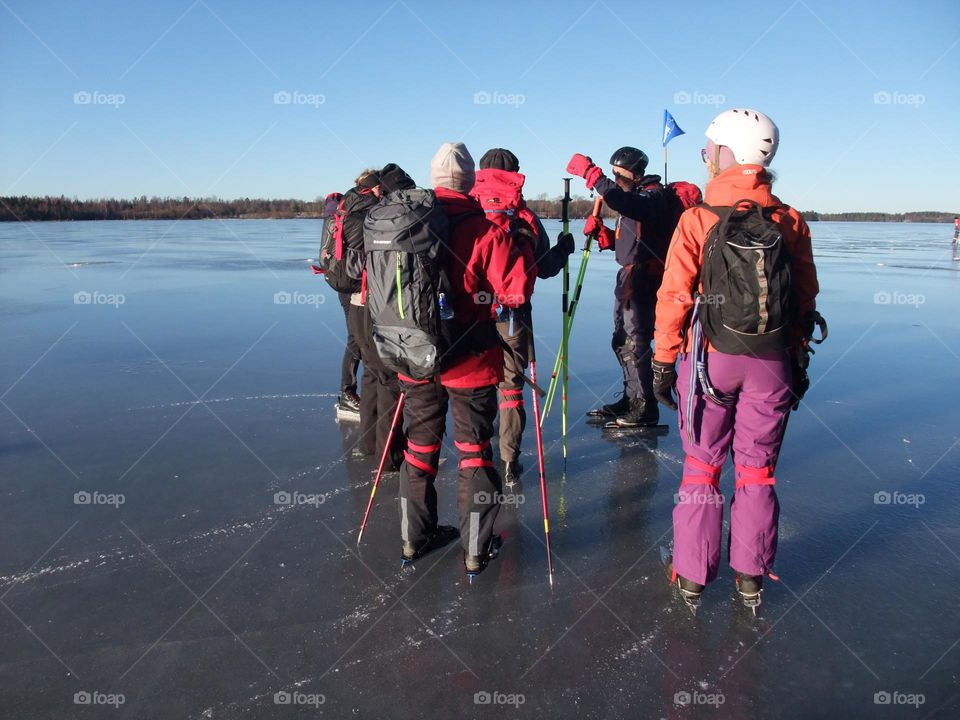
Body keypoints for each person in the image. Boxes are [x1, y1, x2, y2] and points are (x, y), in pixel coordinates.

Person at [651, 108, 820, 611]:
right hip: (772, 361)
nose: (704, 156)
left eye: (710, 147)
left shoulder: (697, 218)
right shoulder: (789, 220)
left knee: (702, 467)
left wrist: (663, 361)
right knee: (757, 470)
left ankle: (692, 574)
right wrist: (798, 359)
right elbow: (805, 299)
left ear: (727, 153)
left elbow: (674, 295)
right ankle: (750, 576)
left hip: (711, 359)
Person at [397, 142, 534, 577]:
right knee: (474, 453)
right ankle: (475, 549)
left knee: (419, 449)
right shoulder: (483, 230)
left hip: (414, 356)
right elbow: (515, 292)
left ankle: (413, 539)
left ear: (434, 179)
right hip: (470, 362)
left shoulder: (406, 222)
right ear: (471, 181)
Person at [471, 148, 575, 485]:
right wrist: (564, 248)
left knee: (474, 384)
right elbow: (543, 268)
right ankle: (510, 462)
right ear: (515, 173)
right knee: (511, 388)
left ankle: (476, 455)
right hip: (513, 314)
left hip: (469, 312)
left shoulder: (464, 207)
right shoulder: (522, 216)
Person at [566, 146, 681, 428]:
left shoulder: (651, 195)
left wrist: (593, 176)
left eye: (618, 173)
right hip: (628, 276)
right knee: (621, 341)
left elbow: (628, 205)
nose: (615, 178)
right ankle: (632, 398)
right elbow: (635, 239)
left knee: (635, 341)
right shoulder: (631, 198)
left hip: (645, 279)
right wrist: (607, 238)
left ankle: (645, 406)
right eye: (612, 173)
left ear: (634, 171)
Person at [339, 169, 404, 468]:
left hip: (354, 303)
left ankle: (367, 445)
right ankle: (389, 457)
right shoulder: (376, 214)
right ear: (377, 189)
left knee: (370, 375)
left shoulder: (346, 208)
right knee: (389, 379)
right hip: (374, 304)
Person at [318, 191, 361, 414]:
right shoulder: (347, 218)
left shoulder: (335, 218)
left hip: (341, 281)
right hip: (350, 284)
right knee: (356, 338)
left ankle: (350, 392)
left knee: (357, 337)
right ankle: (347, 393)